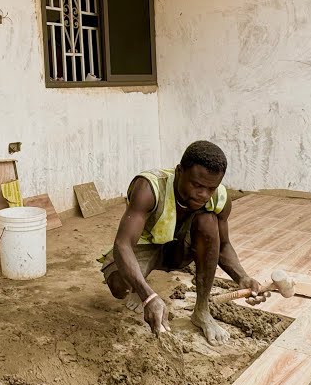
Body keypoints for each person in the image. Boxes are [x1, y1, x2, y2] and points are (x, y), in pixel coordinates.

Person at [99, 140, 266, 345]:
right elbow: (123, 245)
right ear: (179, 171)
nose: (203, 194)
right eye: (196, 185)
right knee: (120, 286)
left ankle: (202, 311)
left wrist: (242, 277)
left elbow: (223, 246)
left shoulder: (219, 198)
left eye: (210, 188)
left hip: (180, 250)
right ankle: (138, 285)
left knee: (208, 221)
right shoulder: (149, 188)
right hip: (146, 246)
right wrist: (148, 296)